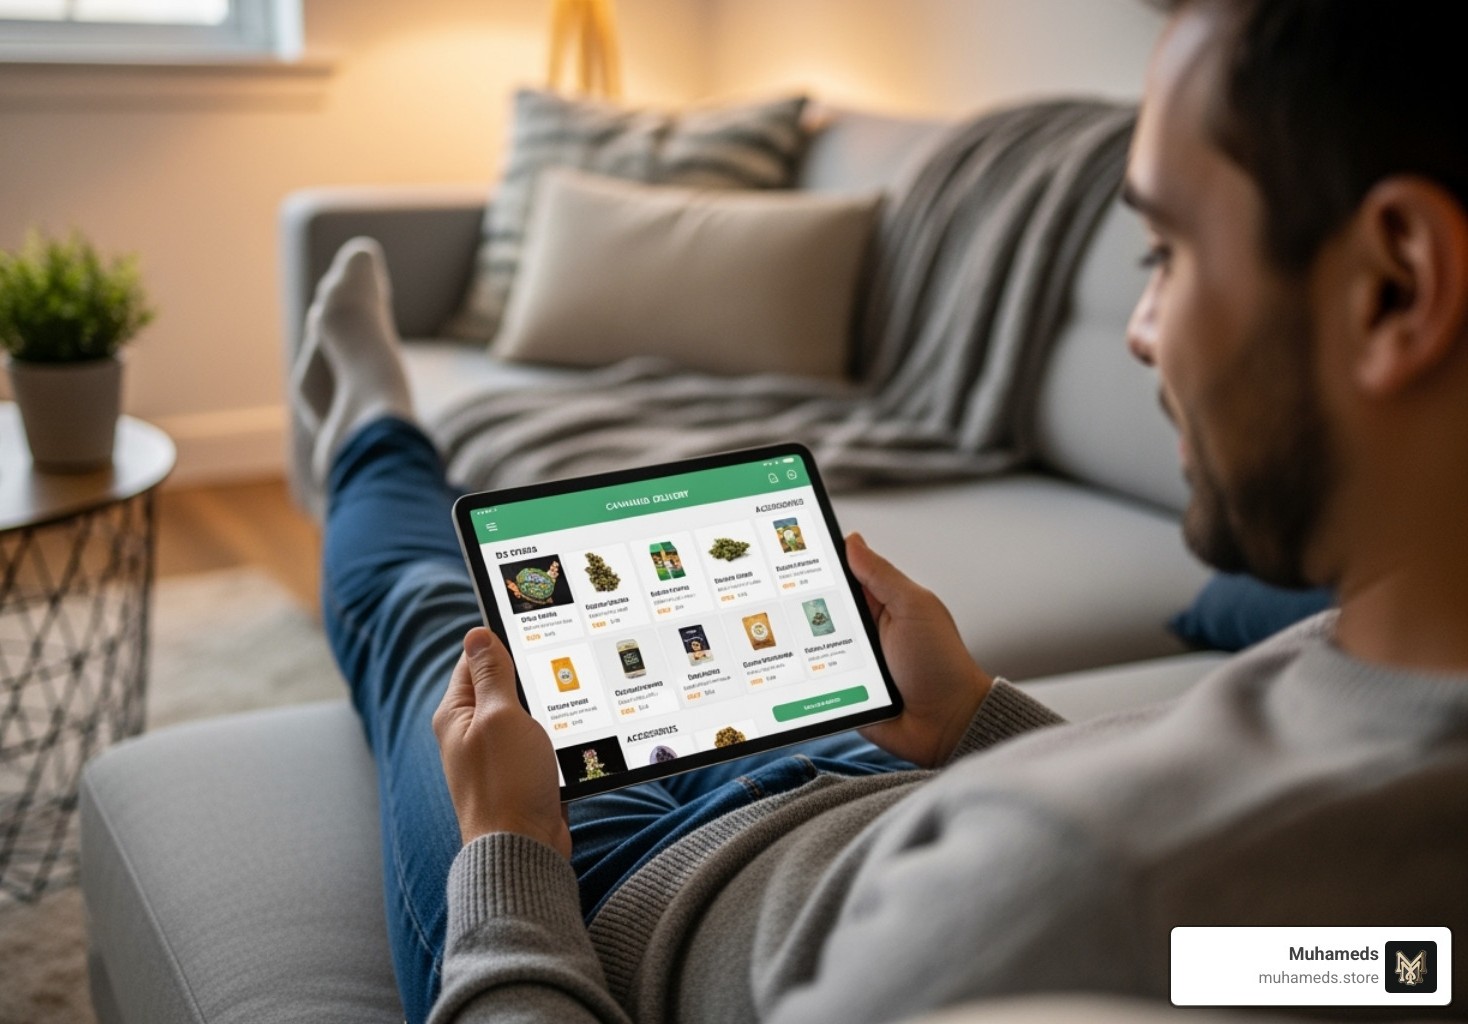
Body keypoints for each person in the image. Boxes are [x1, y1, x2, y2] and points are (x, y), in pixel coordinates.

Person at [295, 2, 1468, 1021]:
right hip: (890, 791)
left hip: (625, 883)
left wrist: (507, 855)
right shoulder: (1395, 703)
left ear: (1396, 286)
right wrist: (977, 720)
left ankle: (368, 432)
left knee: (423, 618)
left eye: (1162, 251)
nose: (1138, 328)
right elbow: (1263, 957)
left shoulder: (1060, 903)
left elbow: (1118, 907)